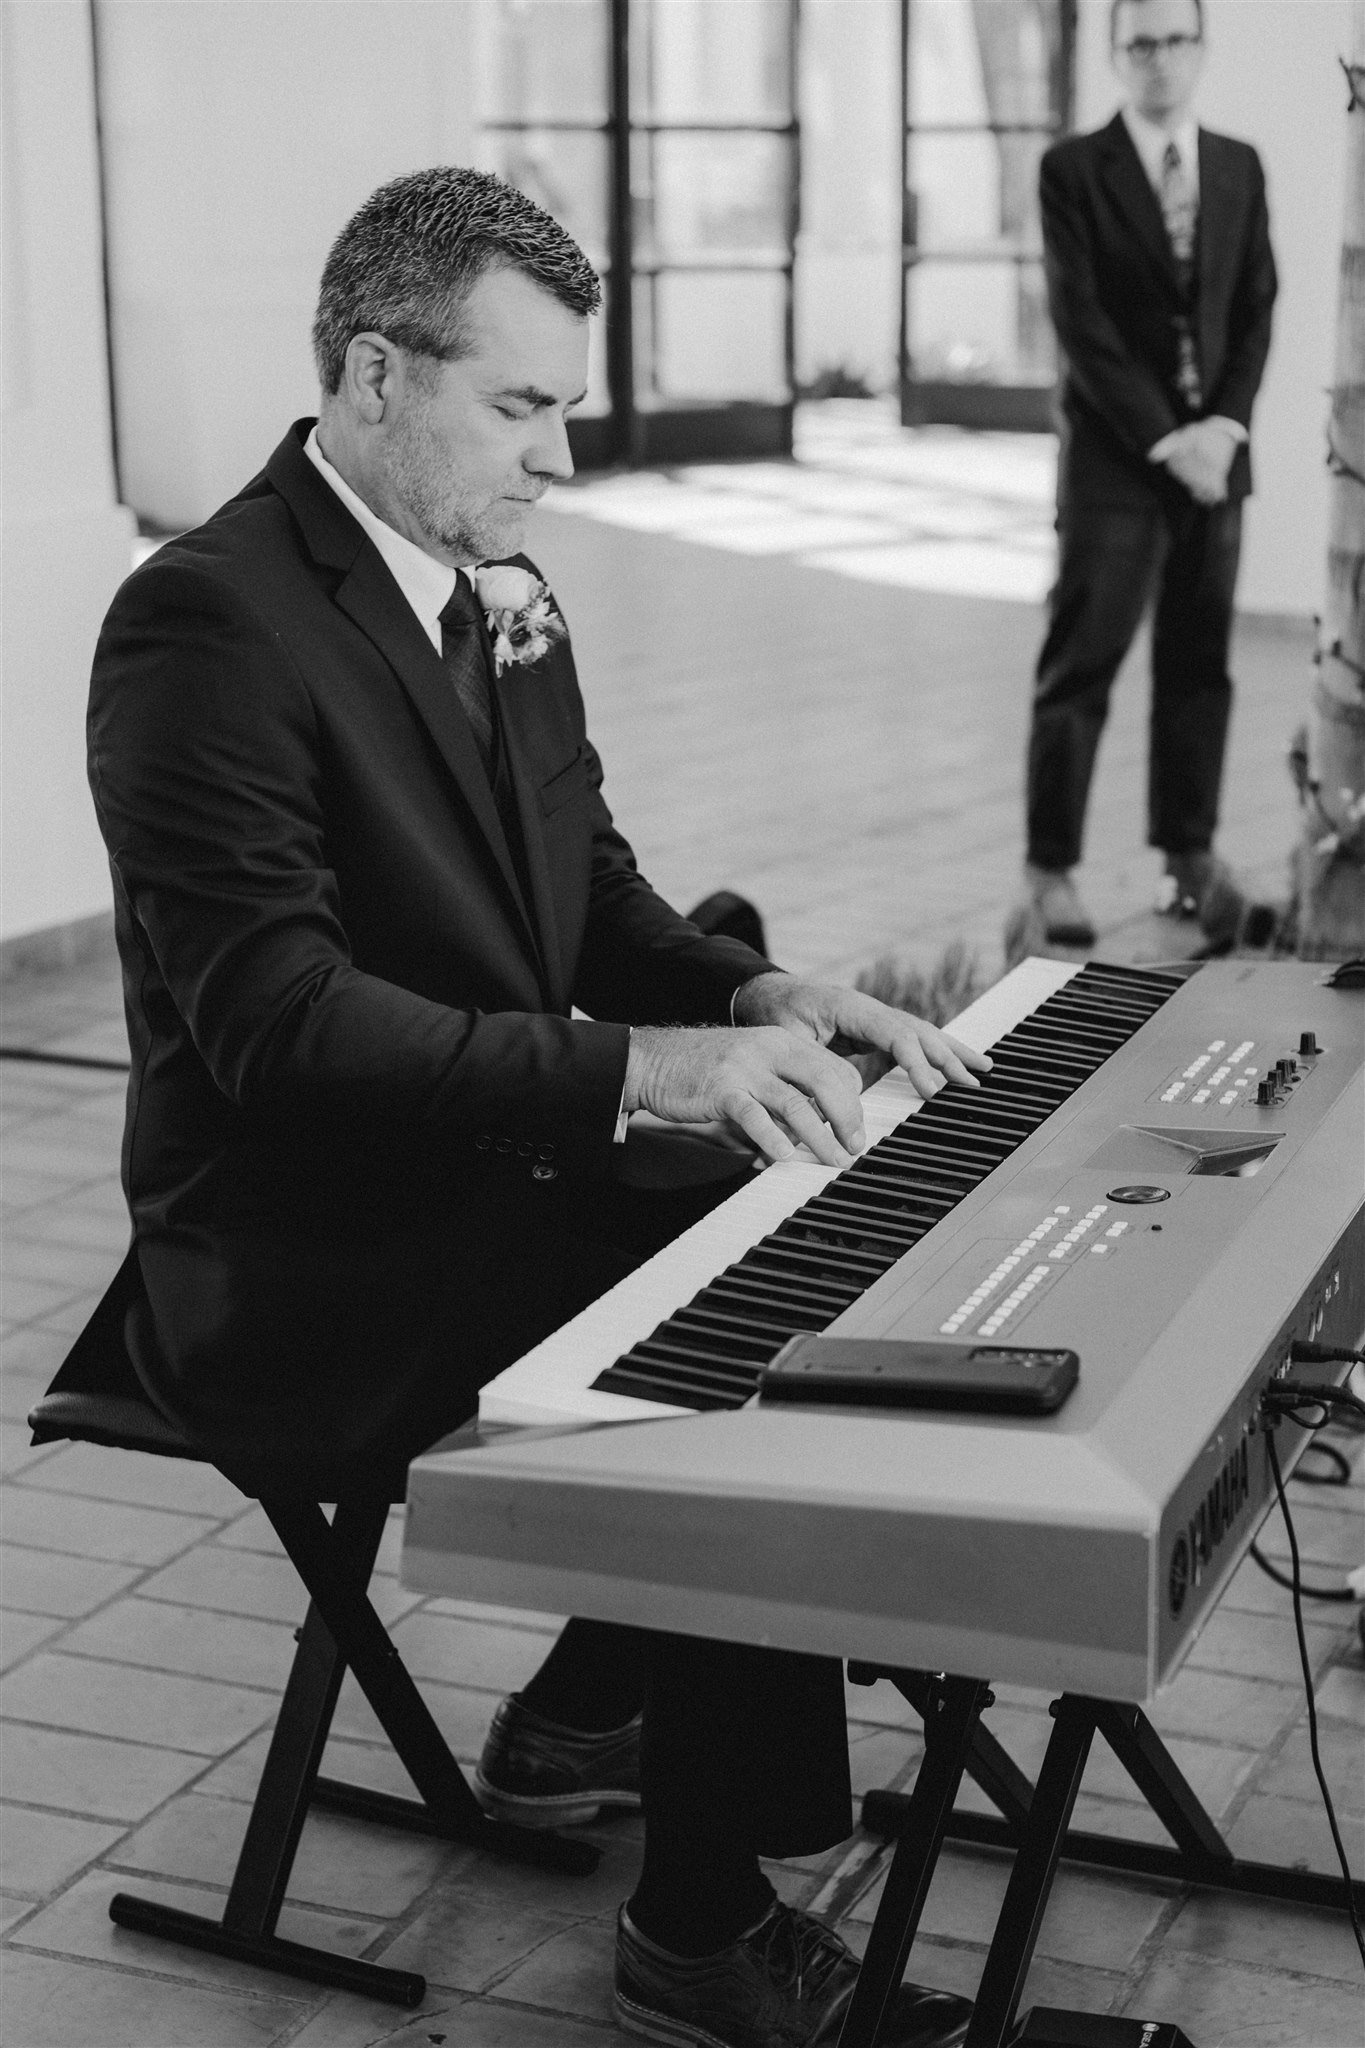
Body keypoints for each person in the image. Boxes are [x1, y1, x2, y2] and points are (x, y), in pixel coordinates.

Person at [87, 167, 980, 2047]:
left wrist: (749, 988)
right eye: (524, 404)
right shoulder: (204, 624)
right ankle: (704, 1923)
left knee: (795, 1230)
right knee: (752, 1358)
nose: (562, 456)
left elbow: (587, 886)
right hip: (298, 1246)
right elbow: (281, 1029)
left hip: (479, 1169)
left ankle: (593, 1704)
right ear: (369, 373)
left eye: (569, 403)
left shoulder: (498, 581)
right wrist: (647, 1072)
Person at [1021, 0, 1277, 948]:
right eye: (1140, 44)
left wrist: (1225, 427)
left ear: (1200, 50)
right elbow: (1078, 321)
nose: (1159, 61)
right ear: (1114, 56)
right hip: (1114, 464)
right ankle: (1048, 869)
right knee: (1079, 668)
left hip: (1217, 463)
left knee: (1198, 665)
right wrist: (1170, 438)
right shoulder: (1071, 170)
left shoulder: (1239, 165)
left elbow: (1256, 303)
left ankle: (1189, 854)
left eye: (1175, 41)